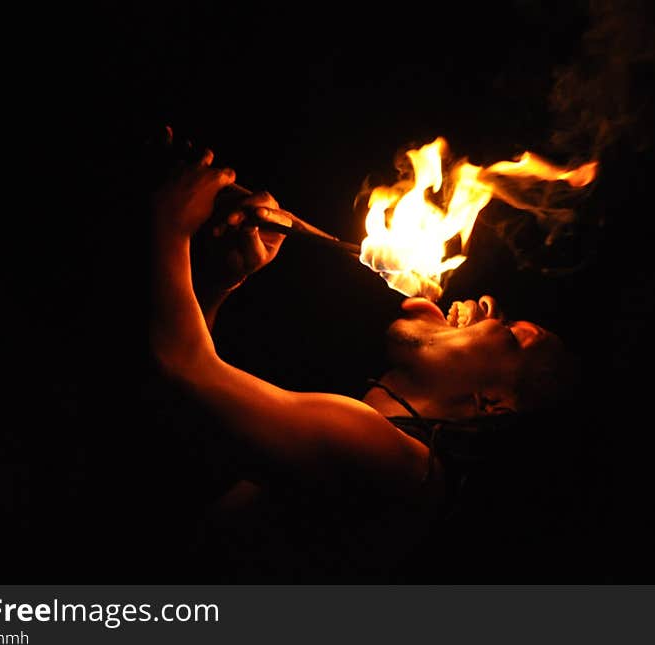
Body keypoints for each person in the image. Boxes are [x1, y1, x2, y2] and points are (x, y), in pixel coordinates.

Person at [149, 149, 579, 581]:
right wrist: (219, 284)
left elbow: (179, 367)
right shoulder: (402, 467)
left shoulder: (386, 455)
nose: (486, 302)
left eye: (508, 331)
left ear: (491, 401)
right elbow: (191, 421)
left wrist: (169, 221)